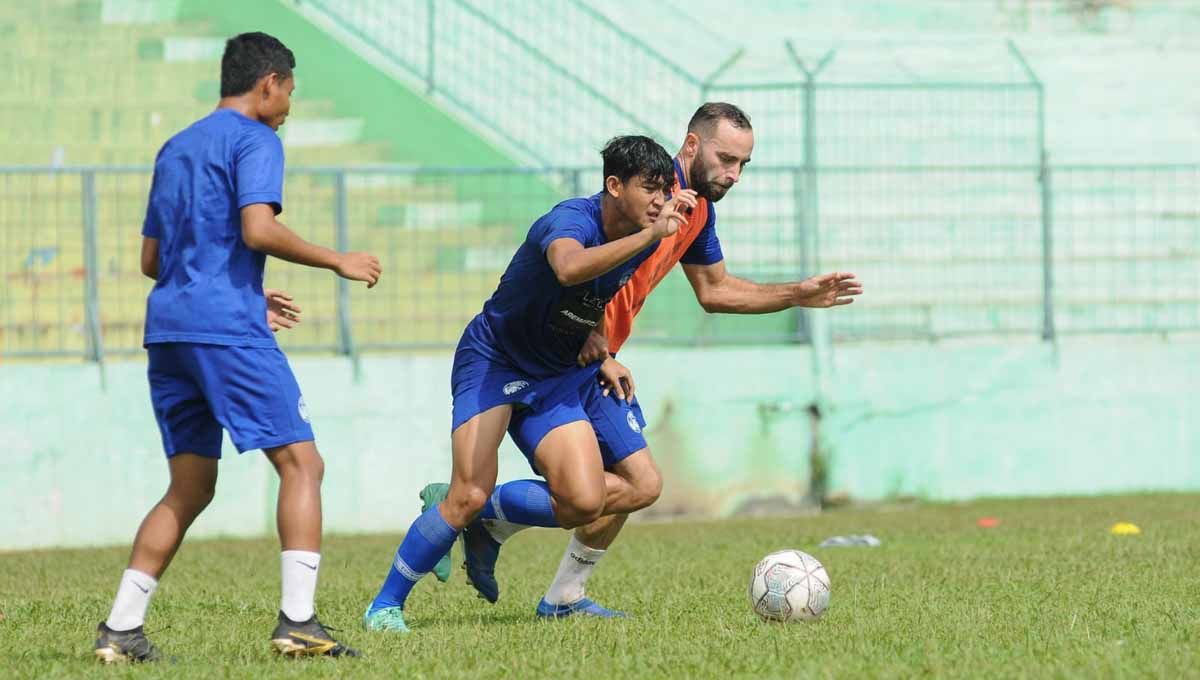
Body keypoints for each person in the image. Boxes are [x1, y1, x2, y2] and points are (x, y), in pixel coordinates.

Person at [426, 102, 862, 618]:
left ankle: (541, 573)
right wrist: (597, 340)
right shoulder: (648, 199)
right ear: (693, 146)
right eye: (726, 159)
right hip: (562, 356)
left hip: (595, 353)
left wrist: (797, 293)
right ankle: (473, 511)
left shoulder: (697, 210)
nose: (734, 174)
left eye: (744, 164)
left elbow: (715, 290)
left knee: (640, 485)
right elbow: (576, 268)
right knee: (614, 485)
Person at [93, 32, 381, 663]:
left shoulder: (175, 147)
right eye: (289, 93)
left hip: (169, 330)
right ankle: (299, 621)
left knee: (189, 487)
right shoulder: (257, 140)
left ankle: (121, 628)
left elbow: (152, 259)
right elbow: (257, 227)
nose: (288, 107)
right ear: (268, 83)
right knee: (303, 465)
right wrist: (337, 260)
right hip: (225, 331)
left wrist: (242, 295)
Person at [362, 135, 696, 633]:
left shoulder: (638, 230)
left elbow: (596, 294)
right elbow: (568, 269)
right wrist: (651, 237)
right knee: (467, 492)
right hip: (494, 361)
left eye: (663, 189)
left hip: (555, 374)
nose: (659, 200)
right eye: (649, 189)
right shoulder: (570, 221)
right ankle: (384, 607)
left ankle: (488, 522)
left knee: (582, 501)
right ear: (613, 185)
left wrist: (599, 344)